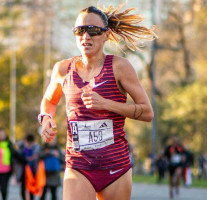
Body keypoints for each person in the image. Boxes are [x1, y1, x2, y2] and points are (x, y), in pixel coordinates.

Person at [38, 4, 155, 200]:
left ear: (106, 35)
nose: (86, 36)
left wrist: (106, 104)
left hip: (115, 168)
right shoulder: (62, 69)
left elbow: (147, 113)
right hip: (79, 166)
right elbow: (49, 101)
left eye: (93, 31)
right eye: (80, 31)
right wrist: (45, 119)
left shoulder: (119, 67)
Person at [18, 133, 40, 200]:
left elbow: (38, 157)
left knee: (31, 189)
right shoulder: (22, 147)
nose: (29, 144)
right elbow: (18, 157)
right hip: (23, 171)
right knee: (23, 189)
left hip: (33, 170)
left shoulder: (36, 148)